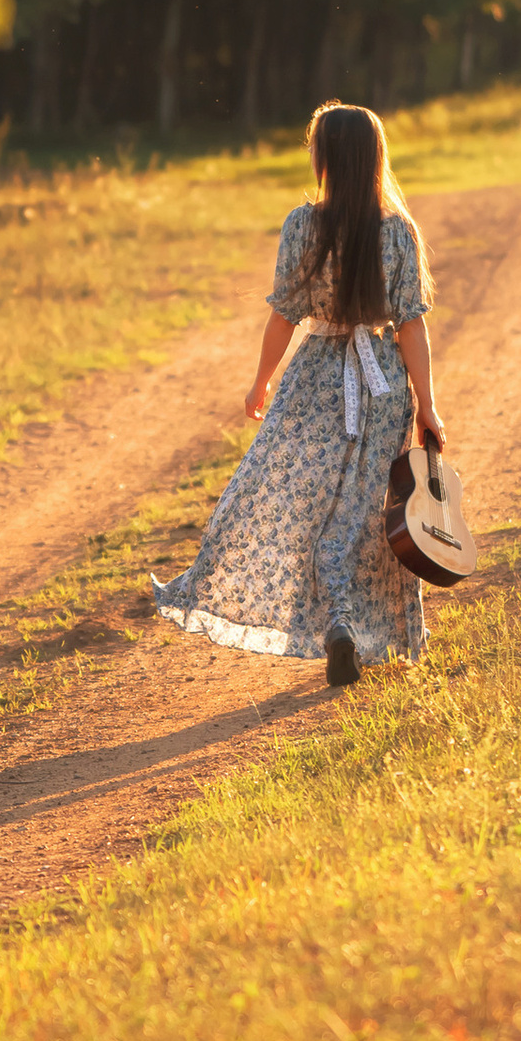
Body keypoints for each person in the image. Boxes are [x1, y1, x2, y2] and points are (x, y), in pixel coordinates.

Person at [152, 100, 442, 688]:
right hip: (382, 384)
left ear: (327, 158)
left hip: (315, 379)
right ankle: (352, 625)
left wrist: (261, 380)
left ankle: (336, 622)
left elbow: (285, 315)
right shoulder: (398, 232)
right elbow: (410, 324)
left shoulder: (302, 226)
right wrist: (428, 406)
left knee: (299, 504)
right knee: (364, 515)